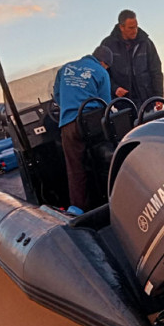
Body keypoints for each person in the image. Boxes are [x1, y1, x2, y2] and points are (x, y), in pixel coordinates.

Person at [52, 46, 113, 211]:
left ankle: (80, 211)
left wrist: (69, 107)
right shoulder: (101, 72)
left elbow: (57, 96)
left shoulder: (65, 68)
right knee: (101, 160)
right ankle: (108, 201)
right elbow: (105, 104)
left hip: (68, 124)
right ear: (103, 63)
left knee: (75, 169)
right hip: (92, 123)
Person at [100, 9, 164, 108]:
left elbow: (156, 70)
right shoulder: (108, 45)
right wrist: (115, 88)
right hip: (122, 103)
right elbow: (101, 72)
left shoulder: (146, 43)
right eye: (131, 28)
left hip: (147, 102)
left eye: (136, 27)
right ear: (121, 27)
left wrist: (159, 97)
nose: (135, 30)